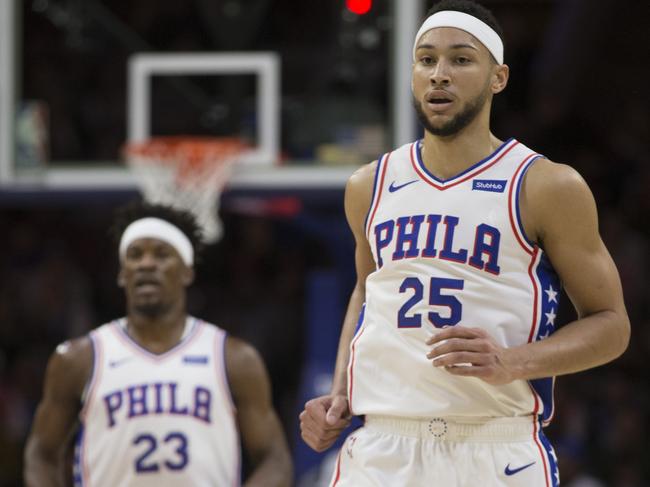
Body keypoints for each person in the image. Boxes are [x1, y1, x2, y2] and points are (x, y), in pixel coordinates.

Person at [299, 1, 630, 486]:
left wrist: (514, 361)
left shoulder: (546, 186)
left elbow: (612, 325)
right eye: (426, 59)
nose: (439, 75)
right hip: (382, 449)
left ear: (498, 77)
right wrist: (340, 390)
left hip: (495, 447)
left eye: (460, 59)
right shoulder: (368, 185)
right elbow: (367, 290)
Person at [24, 202, 293, 487]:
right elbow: (41, 454)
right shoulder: (80, 358)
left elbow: (274, 460)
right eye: (135, 255)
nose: (146, 264)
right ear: (121, 273)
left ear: (187, 272)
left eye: (162, 254)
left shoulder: (233, 358)